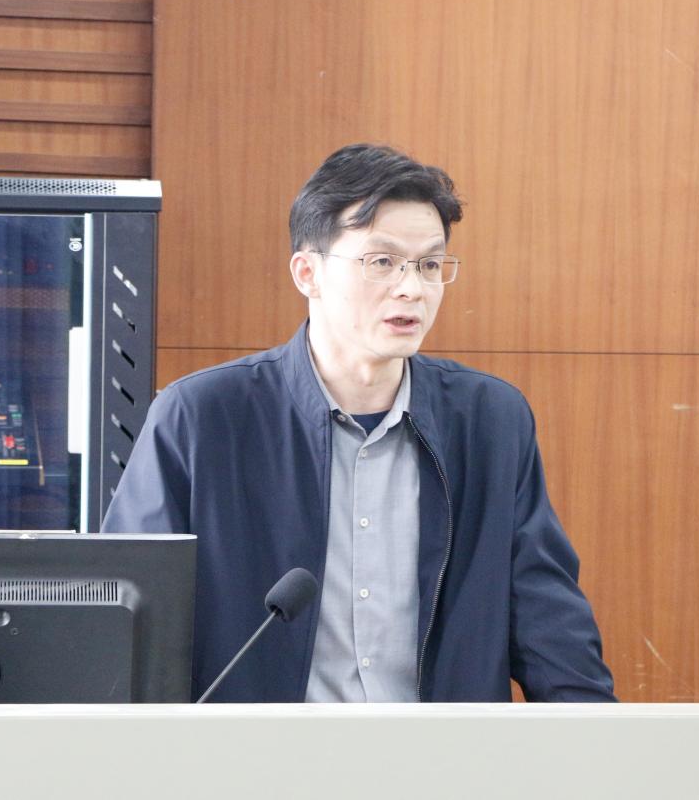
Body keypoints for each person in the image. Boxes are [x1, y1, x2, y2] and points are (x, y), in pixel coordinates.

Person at [102, 143, 615, 703]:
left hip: (441, 752)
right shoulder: (202, 417)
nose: (411, 288)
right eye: (382, 262)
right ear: (308, 272)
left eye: (429, 265)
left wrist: (597, 737)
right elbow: (126, 629)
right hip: (260, 752)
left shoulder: (491, 421)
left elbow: (547, 621)